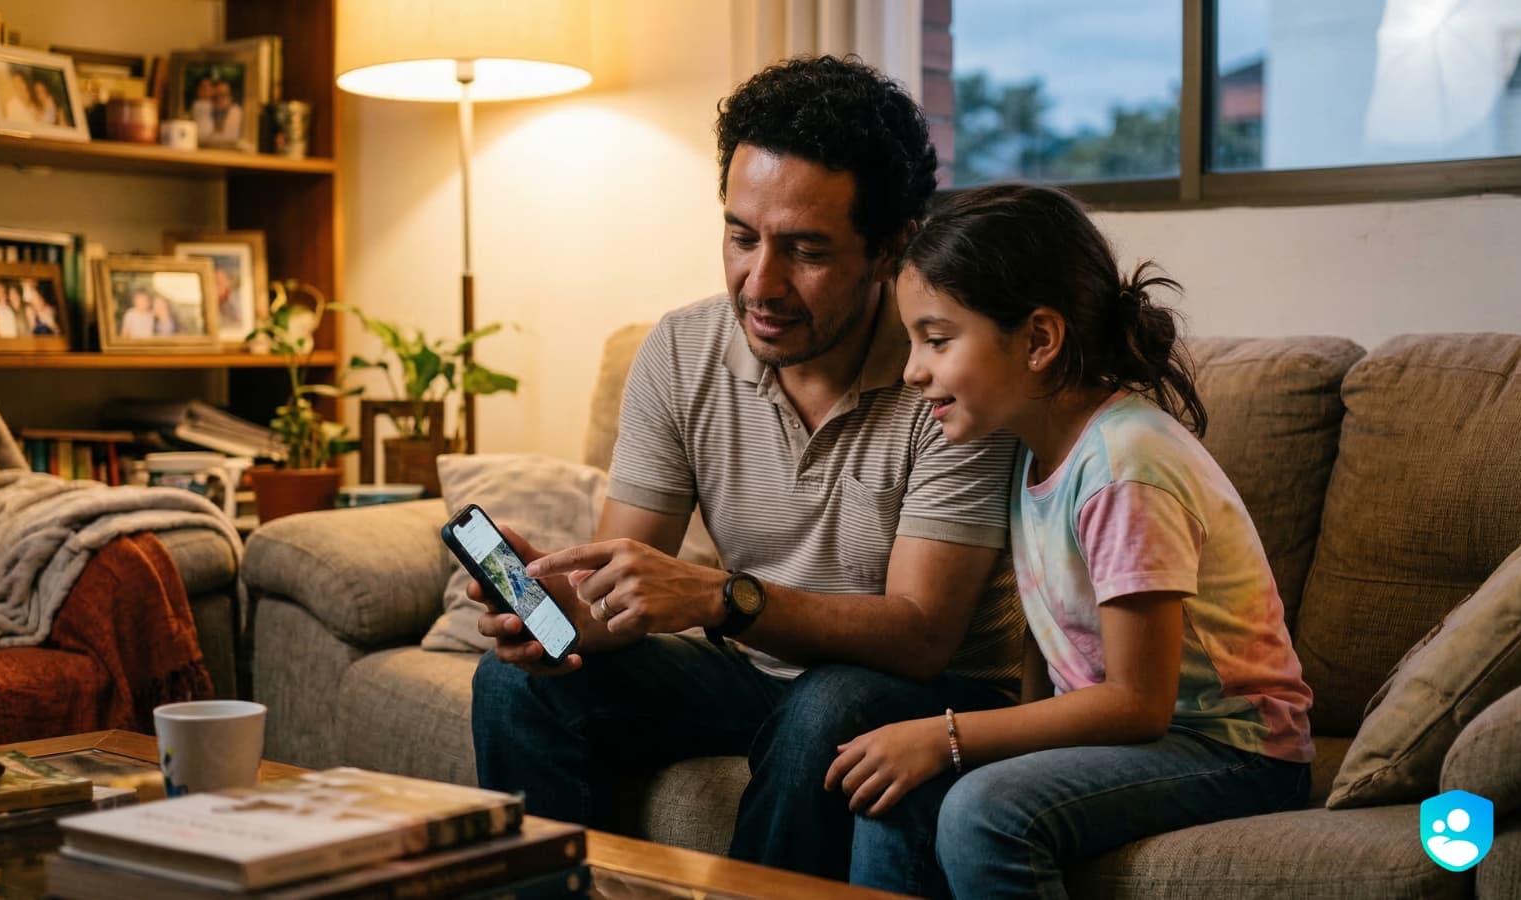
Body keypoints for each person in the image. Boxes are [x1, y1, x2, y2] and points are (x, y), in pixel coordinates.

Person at [470, 55, 1021, 889]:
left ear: (889, 247)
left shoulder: (952, 371)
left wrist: (724, 599)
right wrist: (556, 606)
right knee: (516, 688)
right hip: (753, 678)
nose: (759, 284)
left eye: (805, 250)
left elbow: (921, 634)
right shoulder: (682, 351)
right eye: (740, 236)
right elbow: (620, 594)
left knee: (829, 704)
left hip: (932, 691)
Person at [829, 184, 1314, 899]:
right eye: (912, 342)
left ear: (1039, 341)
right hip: (1137, 738)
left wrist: (948, 735)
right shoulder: (1033, 450)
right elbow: (1052, 642)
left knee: (983, 811)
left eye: (936, 339)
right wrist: (967, 743)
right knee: (899, 794)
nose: (912, 370)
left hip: (1233, 750)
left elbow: (1138, 702)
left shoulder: (1125, 467)